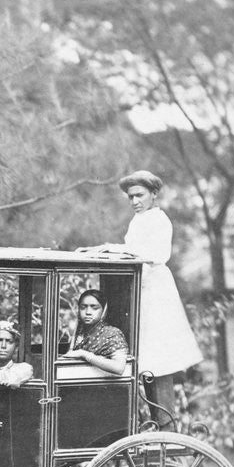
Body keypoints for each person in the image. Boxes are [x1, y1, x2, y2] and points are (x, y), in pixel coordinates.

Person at [79, 170, 202, 416]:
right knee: (145, 359)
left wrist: (111, 250)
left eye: (140, 195)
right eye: (131, 197)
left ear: (154, 194)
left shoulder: (159, 220)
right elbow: (131, 250)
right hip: (140, 293)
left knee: (160, 359)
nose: (135, 201)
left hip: (156, 294)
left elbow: (155, 255)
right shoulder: (139, 220)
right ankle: (154, 422)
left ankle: (165, 422)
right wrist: (105, 249)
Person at [63, 289, 129, 376]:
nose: (88, 312)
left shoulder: (112, 333)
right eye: (83, 307)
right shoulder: (80, 331)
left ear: (104, 311)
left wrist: (84, 354)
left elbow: (119, 368)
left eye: (94, 308)